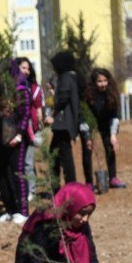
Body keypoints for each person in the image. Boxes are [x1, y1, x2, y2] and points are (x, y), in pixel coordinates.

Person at [14, 183, 102, 263]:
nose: (85, 219)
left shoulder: (80, 225)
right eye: (82, 213)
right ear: (69, 207)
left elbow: (92, 258)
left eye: (89, 214)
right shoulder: (46, 224)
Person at [0, 58, 34, 224]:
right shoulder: (4, 91)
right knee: (6, 174)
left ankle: (24, 212)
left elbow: (25, 114)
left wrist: (19, 135)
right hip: (5, 138)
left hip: (18, 139)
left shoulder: (22, 90)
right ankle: (12, 210)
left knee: (19, 174)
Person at [82, 69, 127, 187]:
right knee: (87, 149)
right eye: (99, 81)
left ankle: (113, 177)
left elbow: (114, 116)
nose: (103, 84)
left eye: (105, 80)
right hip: (90, 122)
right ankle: (89, 182)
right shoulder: (88, 95)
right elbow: (84, 117)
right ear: (94, 83)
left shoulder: (112, 94)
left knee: (110, 146)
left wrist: (113, 135)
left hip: (106, 122)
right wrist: (87, 136)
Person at [46, 51, 86, 184]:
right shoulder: (71, 77)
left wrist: (53, 112)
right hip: (66, 124)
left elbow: (62, 99)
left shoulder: (65, 78)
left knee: (62, 156)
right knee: (56, 154)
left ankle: (69, 185)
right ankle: (60, 185)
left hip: (63, 123)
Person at [20, 58, 44, 198]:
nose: (26, 71)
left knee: (28, 162)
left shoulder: (34, 88)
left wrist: (38, 131)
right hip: (17, 130)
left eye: (28, 68)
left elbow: (39, 110)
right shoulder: (12, 88)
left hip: (30, 130)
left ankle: (32, 191)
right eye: (23, 68)